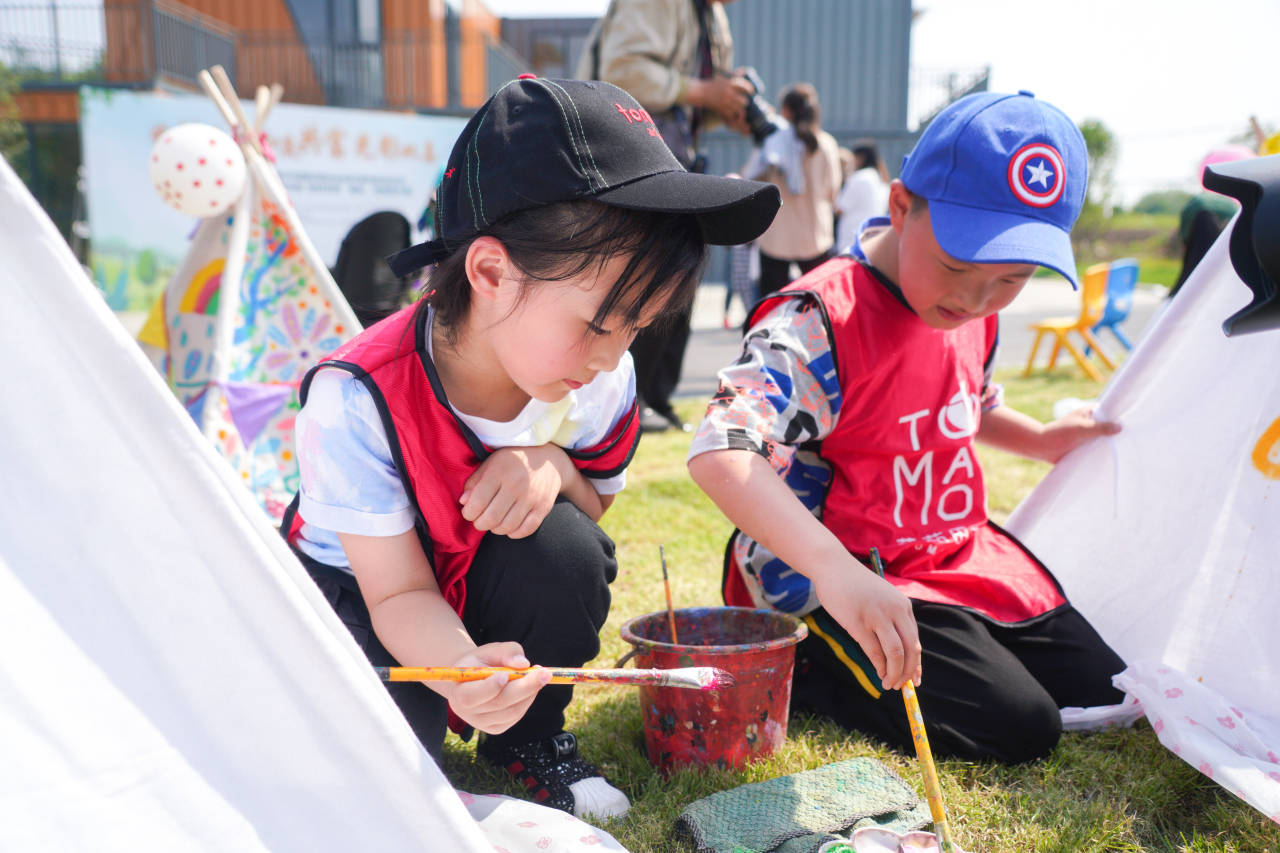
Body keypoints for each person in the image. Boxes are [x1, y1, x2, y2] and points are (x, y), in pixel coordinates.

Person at [282, 77, 779, 819]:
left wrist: (550, 465)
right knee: (381, 768)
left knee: (566, 551)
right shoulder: (357, 397)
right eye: (601, 323)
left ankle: (531, 736)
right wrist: (455, 669)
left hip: (475, 566)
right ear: (489, 272)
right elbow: (397, 590)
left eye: (638, 327)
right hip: (362, 588)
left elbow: (596, 504)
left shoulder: (598, 375)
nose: (614, 357)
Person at [687, 91, 1128, 765]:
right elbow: (722, 446)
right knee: (1021, 726)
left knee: (1104, 687)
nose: (976, 300)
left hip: (947, 552)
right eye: (957, 267)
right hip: (843, 567)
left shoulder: (971, 314)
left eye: (1009, 280)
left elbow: (965, 406)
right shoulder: (820, 318)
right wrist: (834, 570)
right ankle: (805, 663)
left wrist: (1039, 438)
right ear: (899, 206)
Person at [576, 0, 754, 432]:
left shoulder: (711, 14)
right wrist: (703, 92)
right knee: (640, 278)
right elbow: (621, 73)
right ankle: (621, 404)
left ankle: (653, 397)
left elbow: (688, 97)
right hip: (626, 158)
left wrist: (725, 102)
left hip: (674, 156)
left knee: (679, 281)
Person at [744, 82, 843, 297]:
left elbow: (751, 178)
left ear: (786, 111)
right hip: (815, 236)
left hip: (777, 237)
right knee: (819, 300)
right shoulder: (827, 145)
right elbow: (832, 192)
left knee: (770, 303)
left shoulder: (772, 143)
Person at [834, 140, 890, 254]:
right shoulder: (881, 181)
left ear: (860, 158)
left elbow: (839, 209)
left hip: (851, 242)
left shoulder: (858, 178)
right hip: (872, 242)